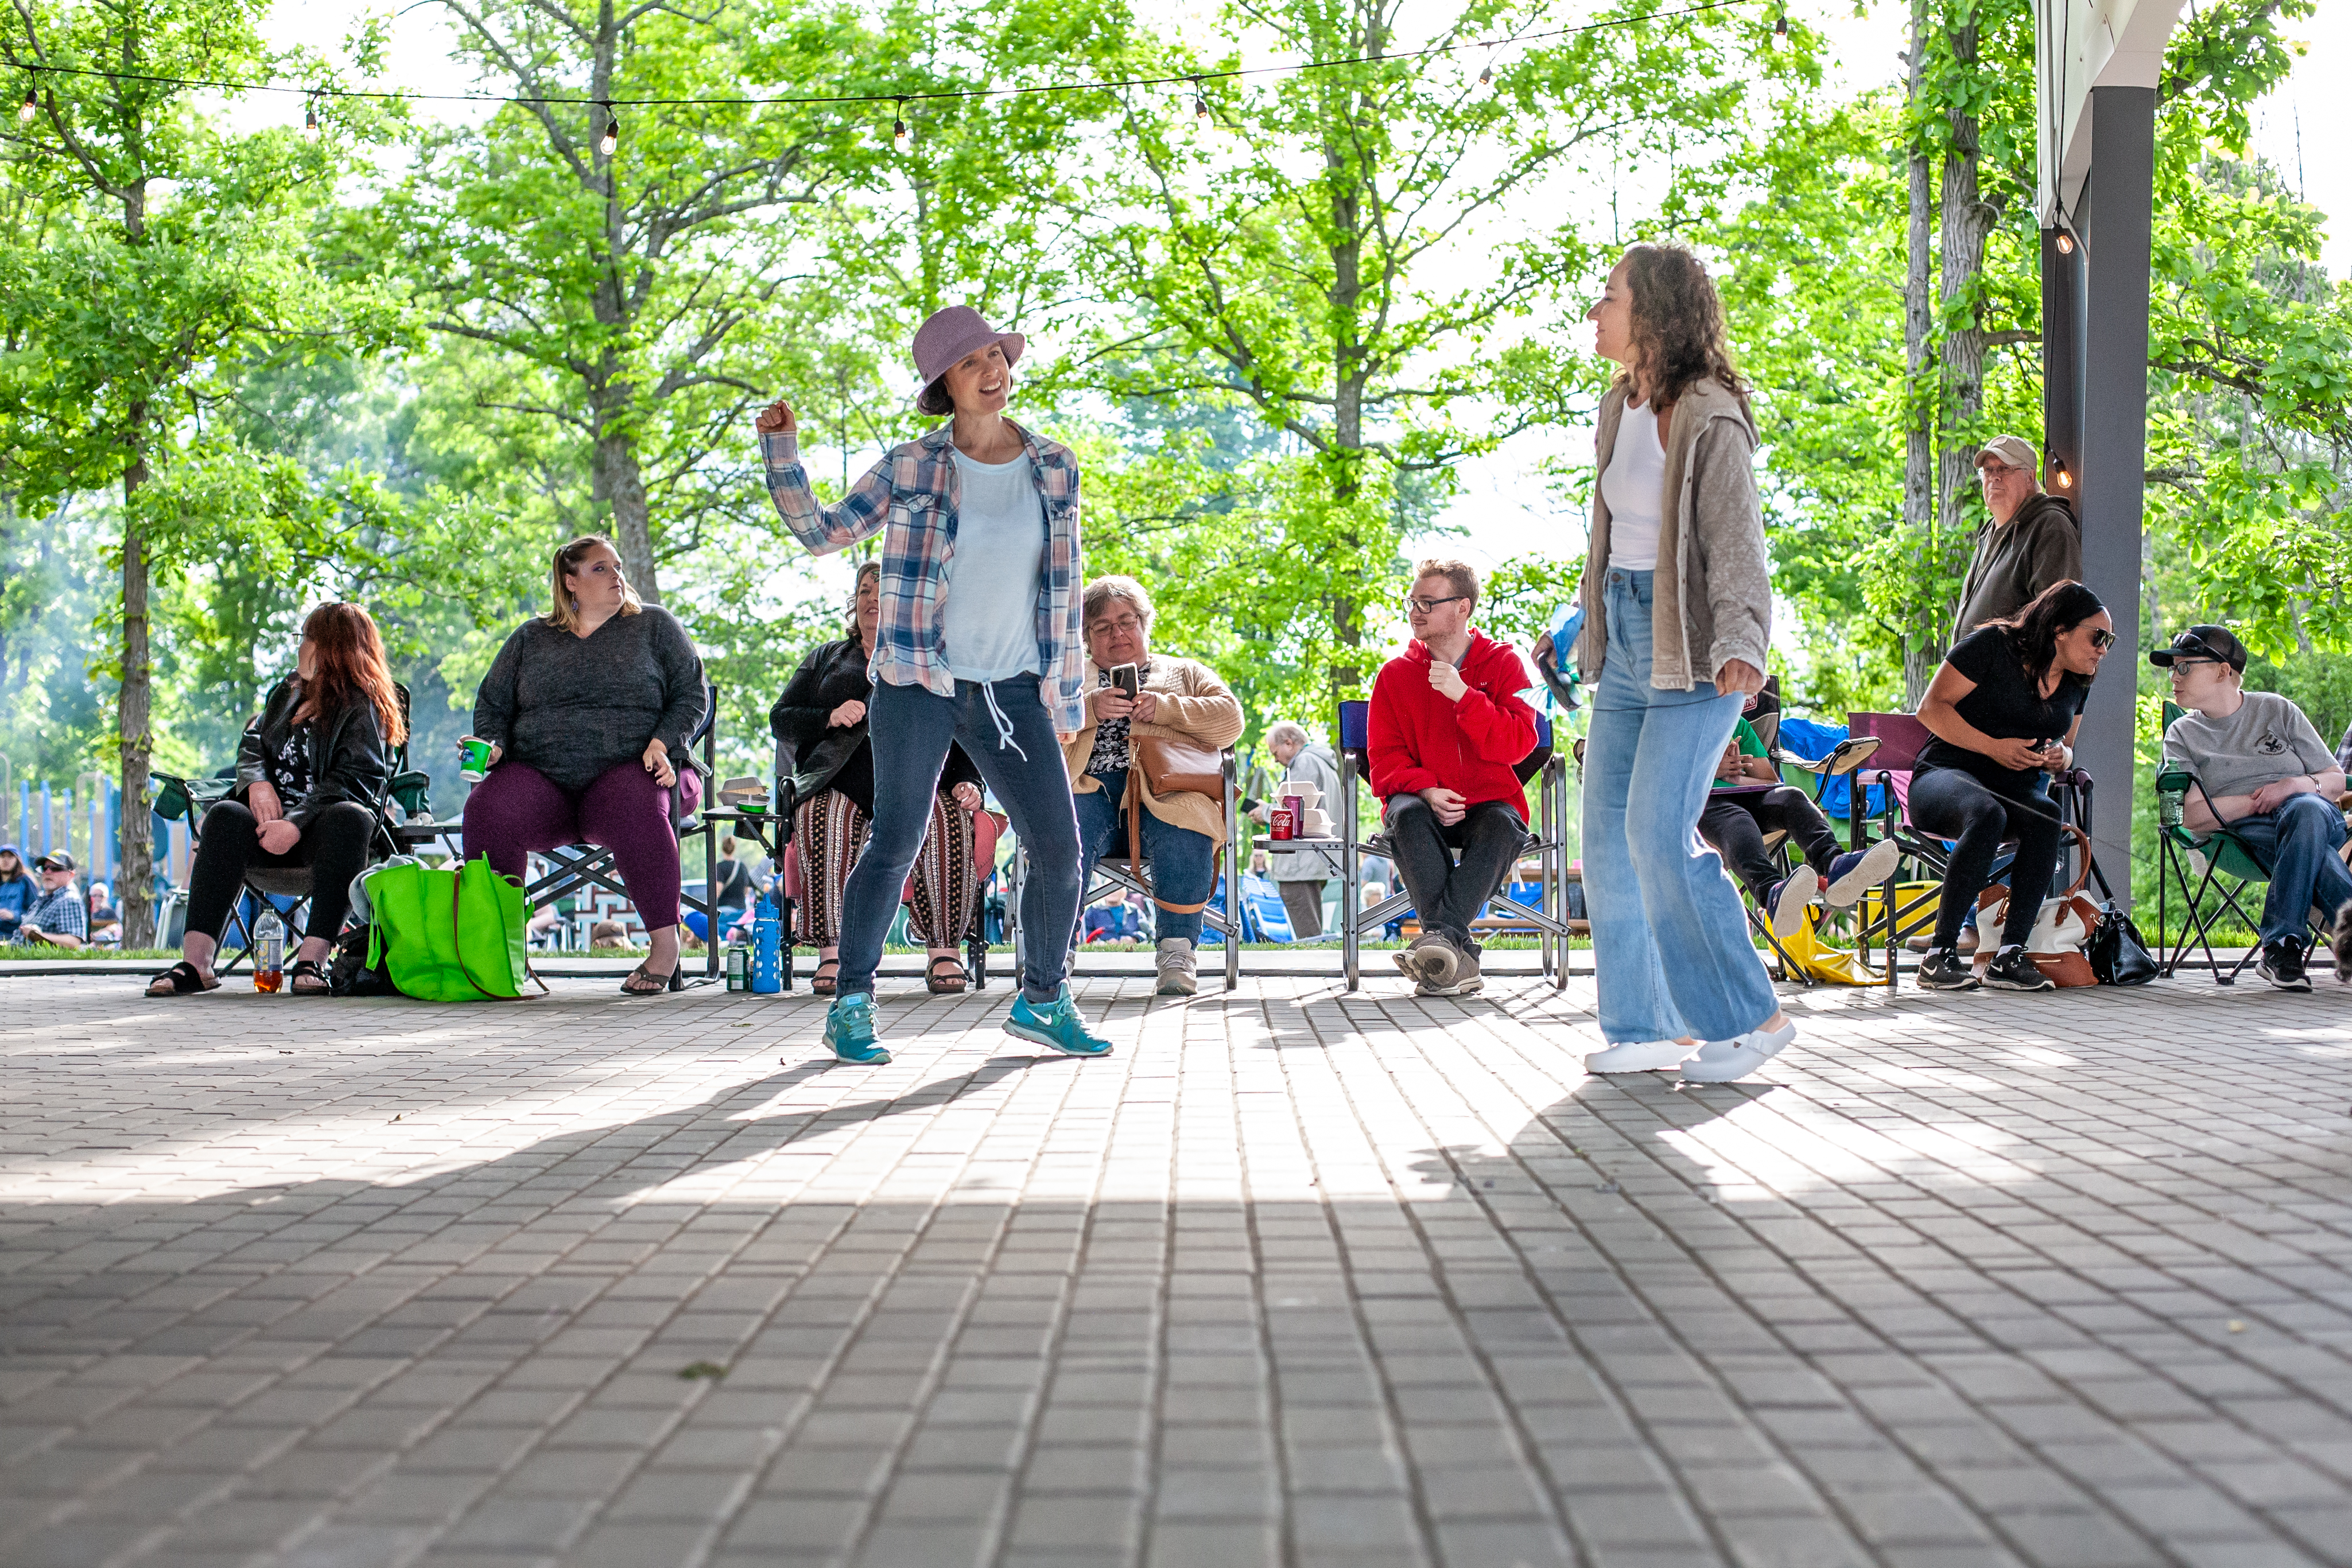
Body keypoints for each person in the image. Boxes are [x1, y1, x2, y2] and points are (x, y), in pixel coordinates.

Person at [756, 304, 1110, 1064]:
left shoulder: (1054, 463)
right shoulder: (911, 465)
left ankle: (1043, 998)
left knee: (1058, 848)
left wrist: (1066, 695)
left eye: (997, 357)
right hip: (918, 679)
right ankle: (851, 1004)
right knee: (894, 840)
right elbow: (822, 532)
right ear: (944, 384)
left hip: (1012, 688)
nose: (992, 373)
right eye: (971, 363)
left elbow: (1065, 583)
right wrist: (780, 448)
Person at [1567, 245, 1796, 1081]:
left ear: (1654, 312)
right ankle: (1646, 1027)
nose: (1596, 312)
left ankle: (1750, 1016)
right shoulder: (1615, 406)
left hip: (1696, 649)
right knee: (1608, 837)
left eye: (1610, 298)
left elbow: (1736, 541)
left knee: (1659, 834)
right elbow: (1616, 534)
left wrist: (1743, 643)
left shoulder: (1708, 411)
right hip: (1626, 638)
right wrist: (1581, 622)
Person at [464, 535, 708, 997]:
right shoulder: (530, 638)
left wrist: (664, 740)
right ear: (569, 581)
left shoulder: (654, 626)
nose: (617, 575)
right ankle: (497, 953)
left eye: (617, 566)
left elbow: (694, 695)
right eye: (600, 568)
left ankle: (664, 947)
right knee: (488, 806)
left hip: (640, 769)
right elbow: (493, 706)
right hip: (546, 784)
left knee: (635, 801)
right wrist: (492, 746)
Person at [145, 604, 403, 995]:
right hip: (265, 829)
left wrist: (296, 823)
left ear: (329, 648)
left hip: (325, 842)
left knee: (352, 817)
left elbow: (355, 780)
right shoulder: (288, 691)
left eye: (305, 638)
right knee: (226, 815)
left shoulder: (363, 706)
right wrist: (256, 784)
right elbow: (252, 741)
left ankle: (311, 962)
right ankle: (196, 964)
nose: (299, 647)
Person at [771, 560, 987, 996]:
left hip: (918, 780)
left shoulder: (934, 659)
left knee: (947, 817)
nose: (872, 599)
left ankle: (944, 951)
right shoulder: (827, 658)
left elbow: (961, 726)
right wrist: (828, 716)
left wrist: (969, 781)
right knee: (822, 817)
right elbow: (782, 719)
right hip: (838, 782)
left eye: (883, 590)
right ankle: (833, 953)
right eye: (865, 591)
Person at [1907, 581, 2114, 991]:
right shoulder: (1992, 646)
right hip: (1943, 778)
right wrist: (1993, 748)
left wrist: (2061, 758)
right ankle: (1939, 955)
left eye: (2110, 640)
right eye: (2097, 636)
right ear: (2060, 629)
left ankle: (2008, 954)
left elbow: (2066, 747)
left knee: (2046, 816)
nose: (2103, 649)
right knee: (1987, 813)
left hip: (2010, 791)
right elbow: (1930, 709)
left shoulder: (2078, 681)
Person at [1062, 575, 1244, 996]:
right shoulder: (1067, 679)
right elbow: (1032, 729)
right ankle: (1053, 956)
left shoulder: (1184, 672)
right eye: (1102, 627)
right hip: (1088, 787)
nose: (1117, 633)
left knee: (1185, 828)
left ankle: (1177, 952)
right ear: (1087, 638)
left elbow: (1231, 722)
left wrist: (1165, 708)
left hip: (1166, 789)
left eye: (1127, 621)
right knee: (1061, 831)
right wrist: (1089, 710)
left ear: (1145, 624)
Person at [1369, 558, 1538, 999]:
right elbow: (1383, 760)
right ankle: (1454, 954)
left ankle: (1441, 943)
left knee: (1504, 823)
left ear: (1462, 607)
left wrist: (1466, 696)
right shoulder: (1394, 675)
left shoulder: (1504, 664)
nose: (1415, 611)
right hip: (1422, 803)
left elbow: (1520, 744)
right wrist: (1425, 787)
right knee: (1404, 813)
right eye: (1413, 601)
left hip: (1488, 803)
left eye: (1428, 602)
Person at [2153, 624, 2350, 991]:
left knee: (2305, 811)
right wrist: (2257, 800)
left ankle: (2279, 946)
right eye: (2172, 669)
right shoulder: (2182, 735)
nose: (2173, 678)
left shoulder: (2277, 709)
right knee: (2310, 844)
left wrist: (2294, 786)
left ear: (2223, 671)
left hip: (2315, 813)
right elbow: (2188, 815)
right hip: (2242, 832)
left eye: (2184, 668)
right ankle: (2283, 946)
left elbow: (2336, 779)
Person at [1699, 715, 1897, 937]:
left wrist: (1734, 779)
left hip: (1746, 796)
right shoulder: (1670, 726)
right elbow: (1660, 781)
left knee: (1792, 797)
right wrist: (1710, 772)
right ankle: (1773, 893)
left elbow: (1768, 781)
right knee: (1738, 820)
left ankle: (1836, 865)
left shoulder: (1736, 724)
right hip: (1696, 803)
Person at [1953, 436, 2081, 638]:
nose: (1995, 477)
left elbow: (2058, 624)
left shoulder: (2050, 527)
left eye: (2005, 469)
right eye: (1988, 470)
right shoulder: (1988, 532)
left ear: (2030, 477)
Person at [1255, 721, 1342, 939]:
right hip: (1314, 858)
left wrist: (1265, 812)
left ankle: (1313, 969)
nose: (1275, 759)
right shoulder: (1322, 762)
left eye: (1275, 753)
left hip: (1300, 863)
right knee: (1311, 925)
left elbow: (1296, 809)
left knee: (1308, 935)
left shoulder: (1304, 763)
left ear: (1289, 743)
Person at [14, 852, 88, 948]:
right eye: (44, 868)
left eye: (56, 868)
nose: (48, 872)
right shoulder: (40, 901)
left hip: (45, 962)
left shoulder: (69, 900)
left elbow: (73, 942)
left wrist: (36, 936)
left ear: (71, 875)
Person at [0, 845, 32, 941]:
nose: (6, 860)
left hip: (17, 935)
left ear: (17, 860)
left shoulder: (25, 881)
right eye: (3, 857)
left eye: (10, 857)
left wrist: (14, 916)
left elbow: (35, 912)